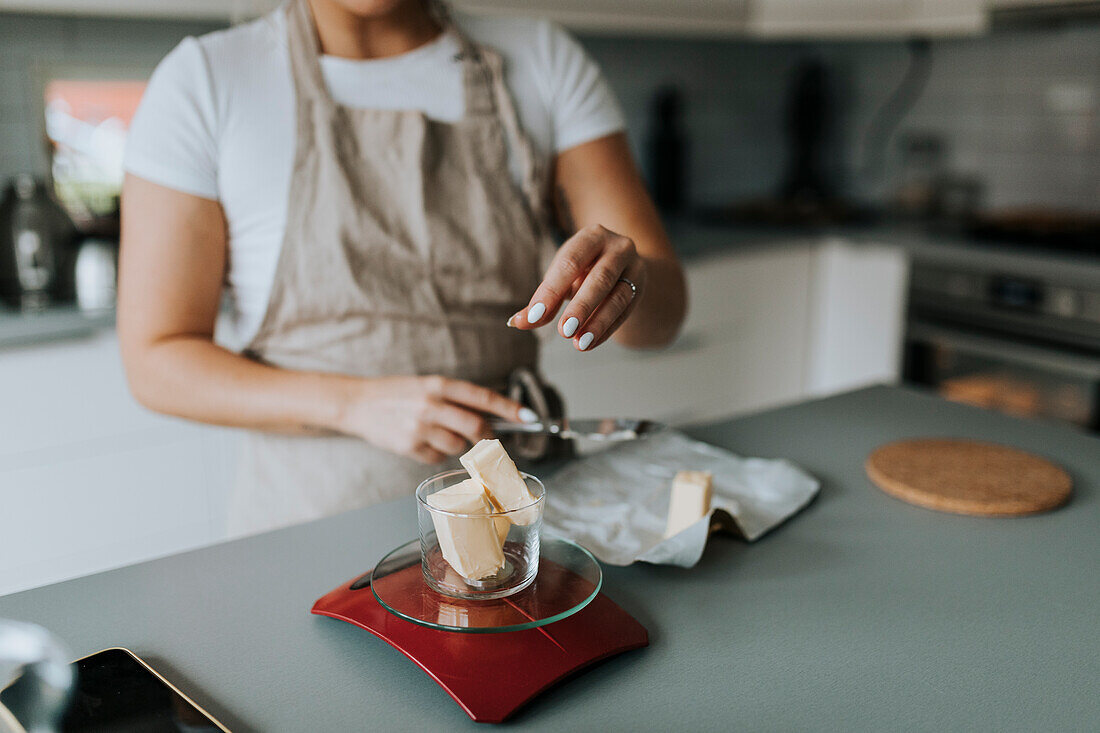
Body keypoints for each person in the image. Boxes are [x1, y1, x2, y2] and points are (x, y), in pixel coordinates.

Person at [118, 0, 687, 536]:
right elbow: (156, 360)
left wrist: (627, 277)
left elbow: (658, 324)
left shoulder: (541, 61)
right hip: (307, 528)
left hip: (514, 523)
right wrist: (353, 404)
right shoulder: (207, 80)